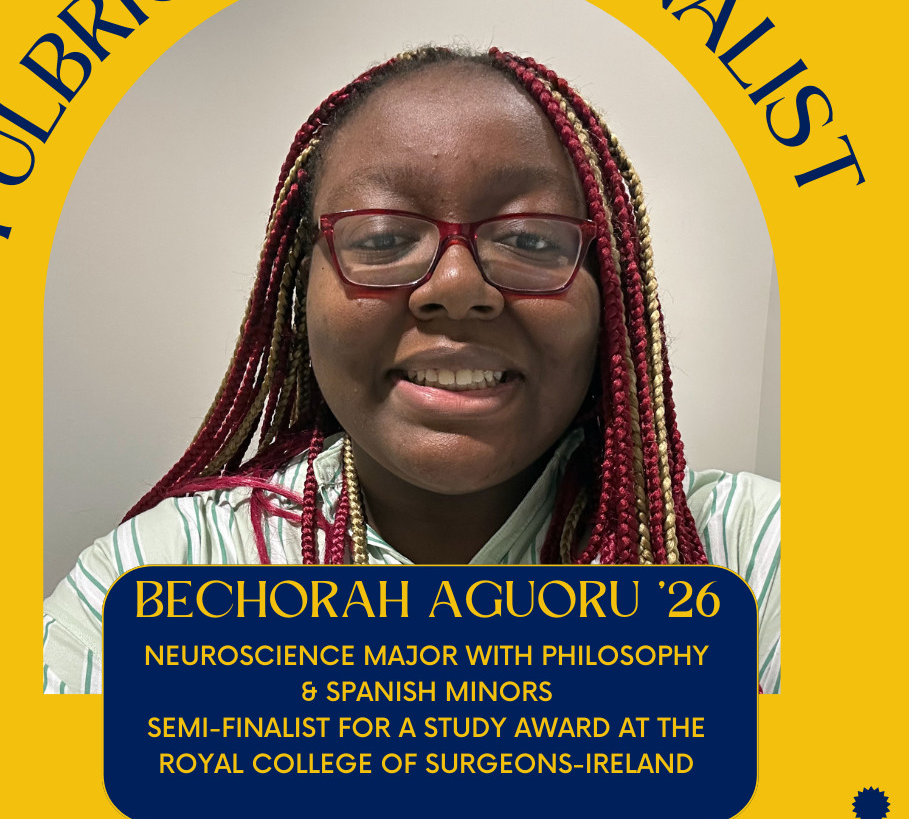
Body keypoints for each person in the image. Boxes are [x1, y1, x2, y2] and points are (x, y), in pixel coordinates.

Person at [43, 46, 780, 694]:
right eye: (386, 236)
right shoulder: (164, 575)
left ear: (610, 294)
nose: (456, 289)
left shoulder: (745, 558)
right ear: (300, 289)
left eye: (528, 239)